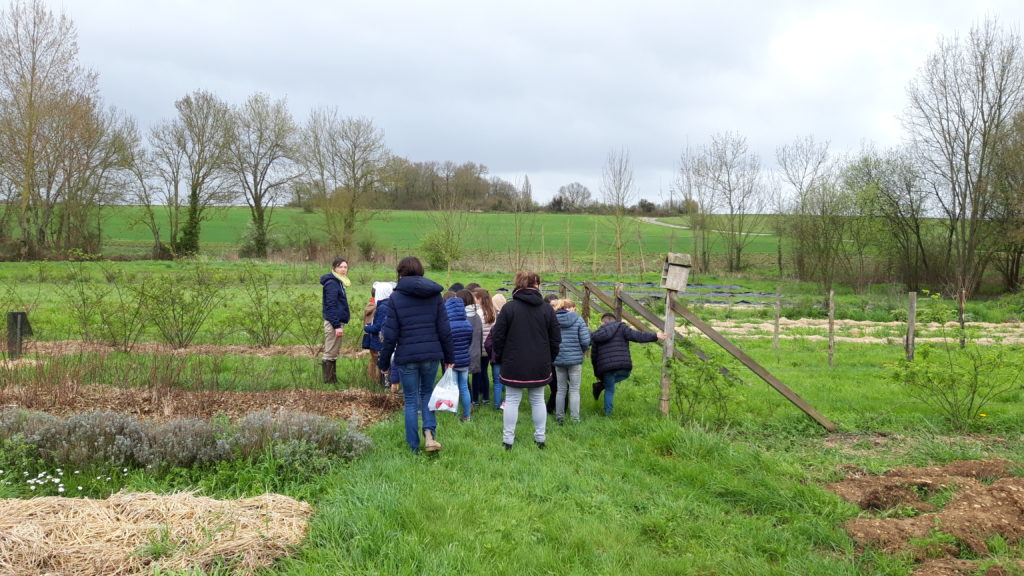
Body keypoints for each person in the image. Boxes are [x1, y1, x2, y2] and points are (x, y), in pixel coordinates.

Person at [378, 257, 454, 454]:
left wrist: (384, 362)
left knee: (411, 400)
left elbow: (390, 334)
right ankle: (429, 435)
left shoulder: (396, 298)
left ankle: (413, 447)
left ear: (400, 273)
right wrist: (449, 358)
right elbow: (444, 329)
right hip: (431, 355)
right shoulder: (435, 295)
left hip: (407, 356)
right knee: (427, 393)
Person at [491, 271, 560, 450]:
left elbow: (497, 337)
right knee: (537, 399)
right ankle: (540, 439)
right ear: (537, 285)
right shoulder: (546, 310)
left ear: (518, 284)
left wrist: (502, 357)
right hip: (539, 363)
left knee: (512, 400)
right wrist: (548, 359)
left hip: (513, 362)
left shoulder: (509, 308)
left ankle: (508, 441)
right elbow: (556, 340)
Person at [590, 313, 665, 416]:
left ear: (601, 322)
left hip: (605, 368)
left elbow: (594, 356)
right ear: (615, 320)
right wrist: (655, 335)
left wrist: (597, 374)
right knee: (625, 374)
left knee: (609, 390)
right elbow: (637, 336)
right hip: (623, 365)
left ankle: (608, 414)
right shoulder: (621, 328)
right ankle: (602, 385)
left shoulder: (597, 334)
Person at [552, 298, 591, 424]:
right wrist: (581, 351)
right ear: (571, 308)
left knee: (561, 389)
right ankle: (575, 418)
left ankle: (559, 417)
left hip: (558, 359)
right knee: (574, 390)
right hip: (575, 360)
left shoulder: (552, 321)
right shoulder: (579, 320)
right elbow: (585, 341)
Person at [444, 294, 475, 422]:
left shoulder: (447, 326)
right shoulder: (467, 324)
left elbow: (445, 344)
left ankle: (454, 413)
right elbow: (469, 342)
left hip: (451, 361)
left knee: (454, 388)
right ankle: (467, 415)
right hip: (465, 361)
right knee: (464, 387)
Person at [320, 258, 350, 384]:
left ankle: (332, 380)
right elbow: (330, 306)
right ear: (334, 268)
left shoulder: (339, 282)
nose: (343, 269)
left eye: (345, 267)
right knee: (330, 352)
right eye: (340, 267)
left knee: (333, 351)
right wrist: (337, 325)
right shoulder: (332, 283)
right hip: (333, 323)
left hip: (336, 322)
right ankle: (329, 381)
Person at [363, 281, 394, 389]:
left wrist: (367, 327)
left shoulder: (382, 307)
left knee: (382, 362)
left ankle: (383, 386)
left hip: (380, 340)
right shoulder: (389, 304)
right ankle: (385, 385)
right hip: (387, 339)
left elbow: (378, 327)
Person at [457, 289, 484, 407]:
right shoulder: (477, 316)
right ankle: (475, 400)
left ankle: (468, 400)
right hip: (476, 350)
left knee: (464, 379)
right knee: (475, 376)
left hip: (465, 350)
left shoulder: (463, 317)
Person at [472, 288, 496, 408]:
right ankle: (486, 398)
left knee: (476, 374)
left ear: (480, 299)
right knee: (485, 373)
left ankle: (475, 399)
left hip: (477, 349)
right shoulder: (492, 312)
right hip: (488, 349)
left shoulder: (477, 313)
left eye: (475, 298)